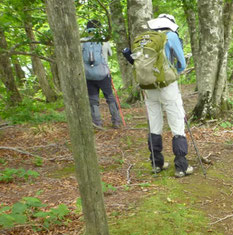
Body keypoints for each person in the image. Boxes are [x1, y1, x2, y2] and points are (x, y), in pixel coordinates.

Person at [123, 14, 192, 177]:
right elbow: (181, 64)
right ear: (171, 24)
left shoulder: (145, 39)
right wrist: (176, 71)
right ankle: (181, 166)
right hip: (167, 86)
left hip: (148, 86)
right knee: (176, 122)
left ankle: (156, 163)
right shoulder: (171, 36)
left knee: (154, 122)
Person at [82, 19, 122, 129]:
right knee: (110, 97)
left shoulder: (82, 42)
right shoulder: (104, 41)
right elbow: (110, 53)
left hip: (89, 76)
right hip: (103, 75)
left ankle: (97, 122)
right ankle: (116, 121)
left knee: (93, 99)